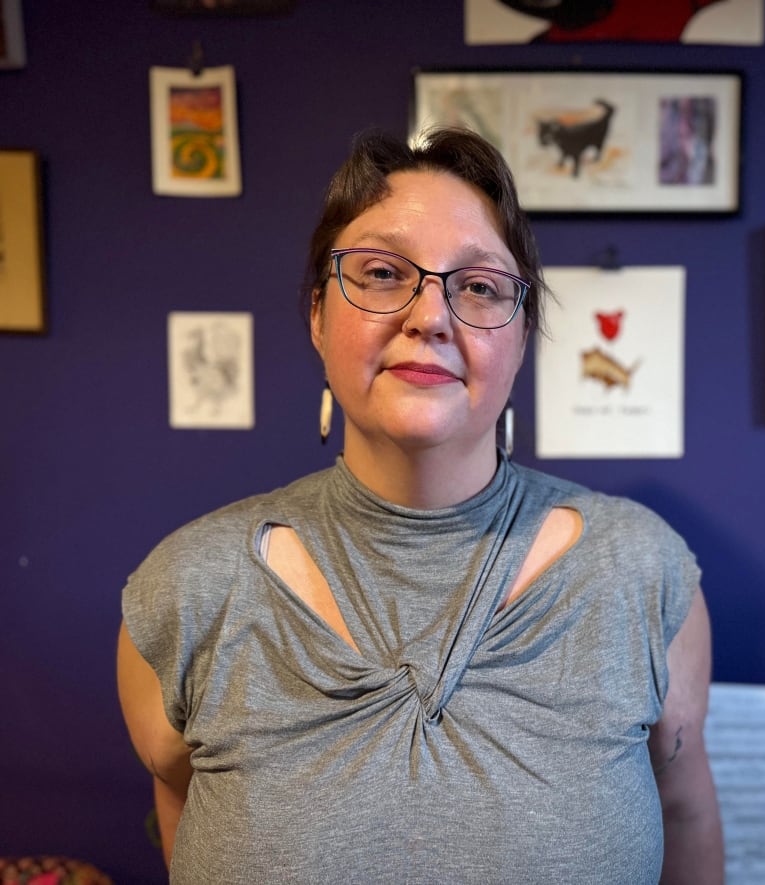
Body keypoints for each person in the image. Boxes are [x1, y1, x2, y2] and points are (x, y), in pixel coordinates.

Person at [116, 127, 724, 884]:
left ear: (521, 336)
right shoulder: (188, 590)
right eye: (380, 273)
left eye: (479, 286)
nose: (430, 316)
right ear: (318, 314)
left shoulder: (642, 575)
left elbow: (687, 815)